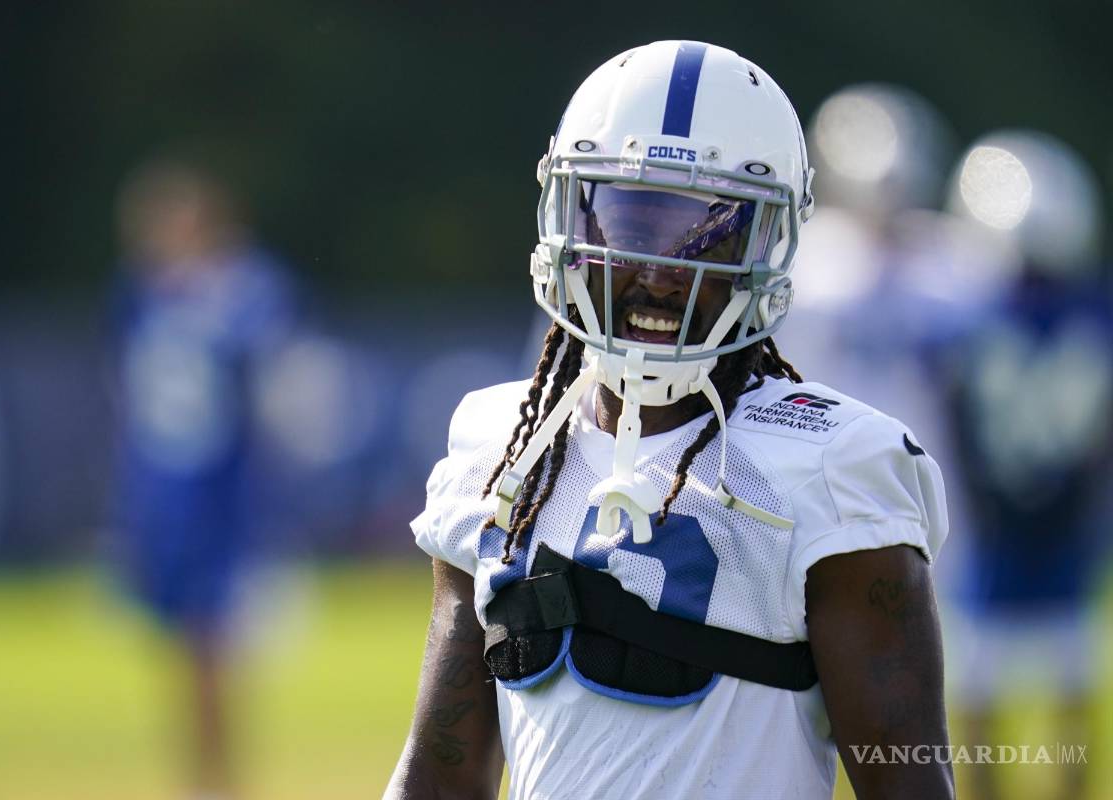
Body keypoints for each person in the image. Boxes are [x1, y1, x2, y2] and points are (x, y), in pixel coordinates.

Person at [386, 41, 952, 800]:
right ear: (568, 223)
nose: (660, 272)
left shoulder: (834, 467)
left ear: (771, 244)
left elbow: (909, 788)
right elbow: (440, 775)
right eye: (632, 225)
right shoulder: (500, 450)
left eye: (708, 233)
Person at [110, 159, 294, 800]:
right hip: (162, 492)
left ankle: (217, 779)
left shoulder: (242, 289)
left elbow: (269, 360)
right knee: (178, 645)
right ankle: (201, 775)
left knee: (215, 640)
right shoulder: (142, 296)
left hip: (222, 493)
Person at [941, 130, 1111, 800]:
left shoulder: (965, 318)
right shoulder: (1091, 311)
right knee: (1061, 692)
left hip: (1000, 527)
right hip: (1057, 527)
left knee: (982, 695)